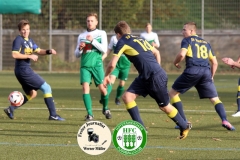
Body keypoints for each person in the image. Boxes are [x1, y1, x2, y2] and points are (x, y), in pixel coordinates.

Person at [104, 21, 191, 140]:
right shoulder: (139, 39)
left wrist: (106, 76)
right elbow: (156, 52)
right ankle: (141, 129)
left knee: (165, 106)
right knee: (127, 97)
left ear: (118, 34)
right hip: (145, 76)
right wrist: (157, 67)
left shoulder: (122, 41)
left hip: (154, 77)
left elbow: (112, 64)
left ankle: (184, 125)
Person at [168, 22, 235, 130]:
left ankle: (183, 122)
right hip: (205, 73)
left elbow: (181, 54)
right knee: (215, 99)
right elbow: (215, 63)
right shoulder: (206, 43)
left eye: (184, 29)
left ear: (191, 31)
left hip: (192, 70)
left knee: (173, 93)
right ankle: (225, 120)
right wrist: (211, 76)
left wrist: (175, 63)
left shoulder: (187, 40)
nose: (182, 32)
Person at [4, 19, 65, 121]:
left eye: (27, 29)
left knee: (32, 93)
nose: (26, 31)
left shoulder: (30, 41)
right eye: (23, 29)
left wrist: (49, 51)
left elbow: (39, 50)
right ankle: (53, 115)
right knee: (47, 88)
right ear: (19, 31)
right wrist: (30, 56)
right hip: (23, 70)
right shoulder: (18, 40)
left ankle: (11, 108)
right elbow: (14, 54)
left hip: (23, 71)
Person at [74, 13, 111, 121]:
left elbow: (104, 49)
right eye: (88, 21)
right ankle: (90, 114)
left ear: (96, 22)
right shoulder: (81, 36)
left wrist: (92, 41)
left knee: (103, 90)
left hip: (97, 65)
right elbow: (76, 54)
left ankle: (105, 108)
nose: (89, 23)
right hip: (85, 66)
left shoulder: (101, 33)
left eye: (92, 21)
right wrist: (80, 48)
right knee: (85, 88)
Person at [101, 35, 131, 105]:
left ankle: (117, 98)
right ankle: (105, 97)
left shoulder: (128, 38)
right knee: (111, 80)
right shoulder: (113, 38)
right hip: (116, 65)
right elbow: (109, 50)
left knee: (122, 83)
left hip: (125, 66)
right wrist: (101, 58)